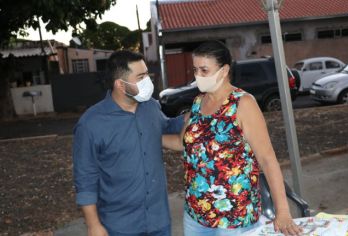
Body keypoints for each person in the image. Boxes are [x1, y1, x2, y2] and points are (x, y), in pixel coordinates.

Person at [163, 41, 303, 236]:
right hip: (196, 214)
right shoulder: (197, 103)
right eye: (195, 70)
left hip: (235, 217)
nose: (198, 76)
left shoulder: (243, 103)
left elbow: (267, 159)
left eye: (204, 70)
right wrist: (150, 137)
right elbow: (182, 142)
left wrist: (283, 212)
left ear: (224, 70)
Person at [72, 50, 184, 236]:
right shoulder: (91, 124)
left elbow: (168, 126)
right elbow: (85, 178)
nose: (148, 80)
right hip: (120, 226)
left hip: (159, 221)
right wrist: (93, 225)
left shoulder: (151, 107)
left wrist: (193, 113)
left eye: (147, 74)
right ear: (120, 85)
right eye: (141, 76)